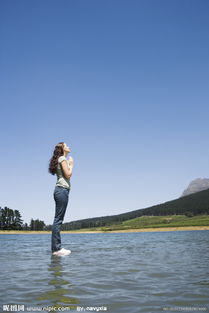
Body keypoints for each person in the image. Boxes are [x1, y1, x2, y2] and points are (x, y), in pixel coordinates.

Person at [48, 142, 74, 256]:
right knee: (58, 220)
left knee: (58, 219)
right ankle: (56, 249)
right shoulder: (62, 158)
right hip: (61, 190)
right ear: (63, 149)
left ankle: (56, 248)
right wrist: (71, 164)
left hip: (61, 190)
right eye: (66, 145)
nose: (68, 146)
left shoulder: (62, 159)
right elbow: (68, 175)